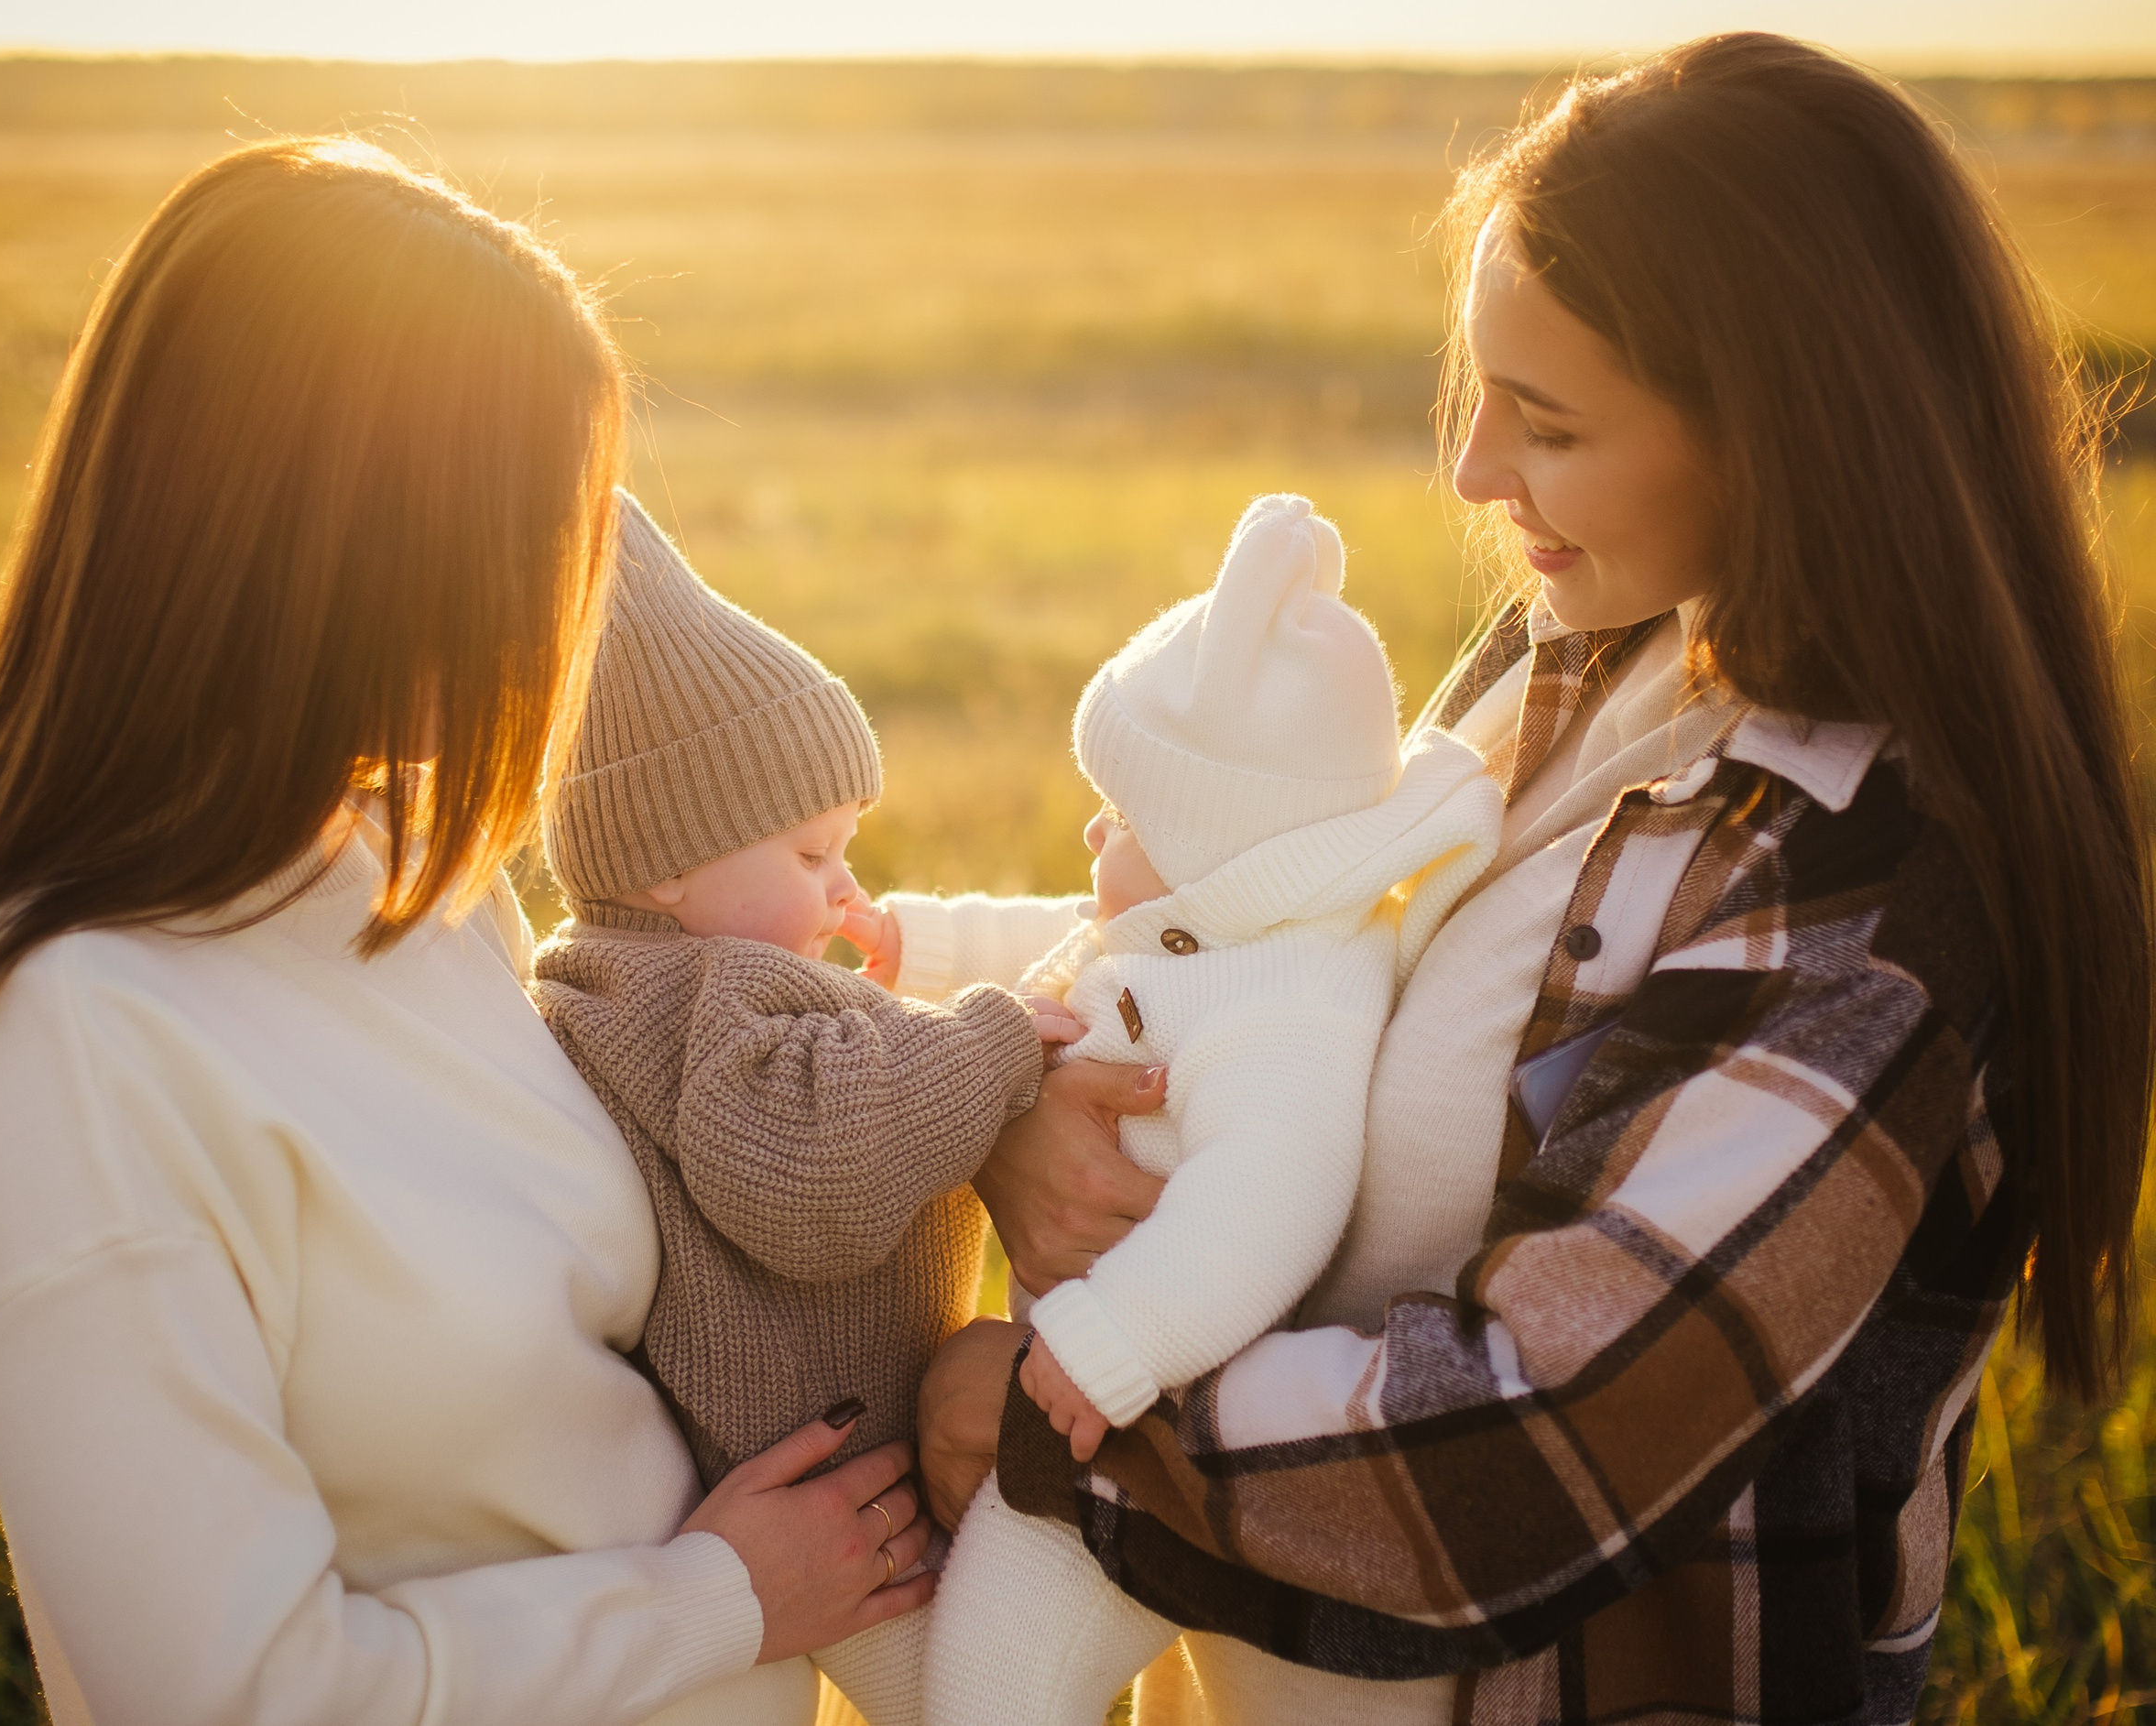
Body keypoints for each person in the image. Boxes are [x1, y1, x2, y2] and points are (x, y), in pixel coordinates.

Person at [901, 33, 2153, 1726]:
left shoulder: (1868, 889)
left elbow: (1552, 1434)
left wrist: (1072, 1423)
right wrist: (1024, 1093)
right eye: (1481, 390)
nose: (1477, 472)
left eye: (1547, 423)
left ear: (1778, 437)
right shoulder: (1584, 653)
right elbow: (1293, 947)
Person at [0, 138, 931, 1726]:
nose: (556, 605)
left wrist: (1002, 1097)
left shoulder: (407, 864)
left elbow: (694, 1075)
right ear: (331, 541)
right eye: (522, 530)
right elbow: (233, 1696)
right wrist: (719, 1601)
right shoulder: (54, 1047)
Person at [921, 491, 1504, 1726]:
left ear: (1220, 845)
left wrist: (1114, 1343)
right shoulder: (1215, 926)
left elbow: (1270, 1201)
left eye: (1124, 816)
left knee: (991, 1676)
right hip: (1095, 1413)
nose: (1092, 825)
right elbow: (1063, 942)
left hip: (1155, 1431)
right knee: (982, 1681)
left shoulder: (1292, 1008)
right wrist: (908, 937)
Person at [527, 492, 1064, 1726]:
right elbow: (815, 1178)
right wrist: (988, 1046)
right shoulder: (722, 988)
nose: (843, 887)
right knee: (993, 1695)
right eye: (813, 857)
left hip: (809, 1459)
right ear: (667, 861)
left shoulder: (614, 976)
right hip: (851, 1489)